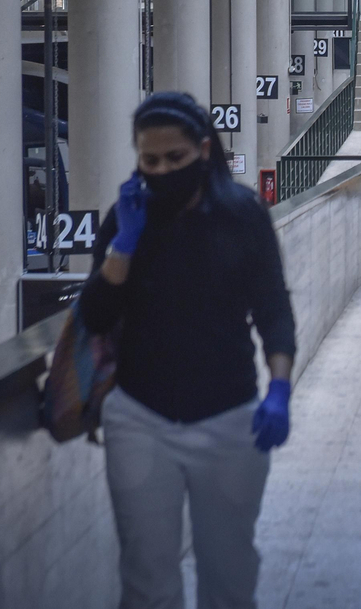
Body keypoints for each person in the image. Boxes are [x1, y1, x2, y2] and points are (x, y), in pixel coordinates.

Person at [79, 91, 296, 609]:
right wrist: (123, 247)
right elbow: (95, 316)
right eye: (149, 161)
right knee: (146, 574)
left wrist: (280, 387)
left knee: (229, 571)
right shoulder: (126, 218)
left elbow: (272, 308)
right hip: (140, 416)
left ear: (203, 150)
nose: (161, 170)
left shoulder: (242, 215)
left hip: (228, 417)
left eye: (174, 158)